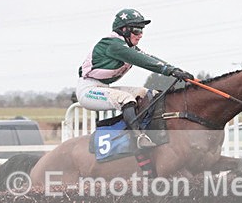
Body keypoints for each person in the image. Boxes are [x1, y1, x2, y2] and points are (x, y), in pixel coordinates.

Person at [77, 8, 194, 148]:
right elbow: (142, 60)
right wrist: (170, 71)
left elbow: (149, 57)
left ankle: (155, 130)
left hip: (103, 87)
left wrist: (176, 70)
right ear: (124, 30)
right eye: (137, 30)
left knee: (147, 94)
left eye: (142, 30)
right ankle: (138, 138)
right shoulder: (113, 45)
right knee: (126, 99)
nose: (141, 35)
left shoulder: (126, 46)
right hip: (88, 90)